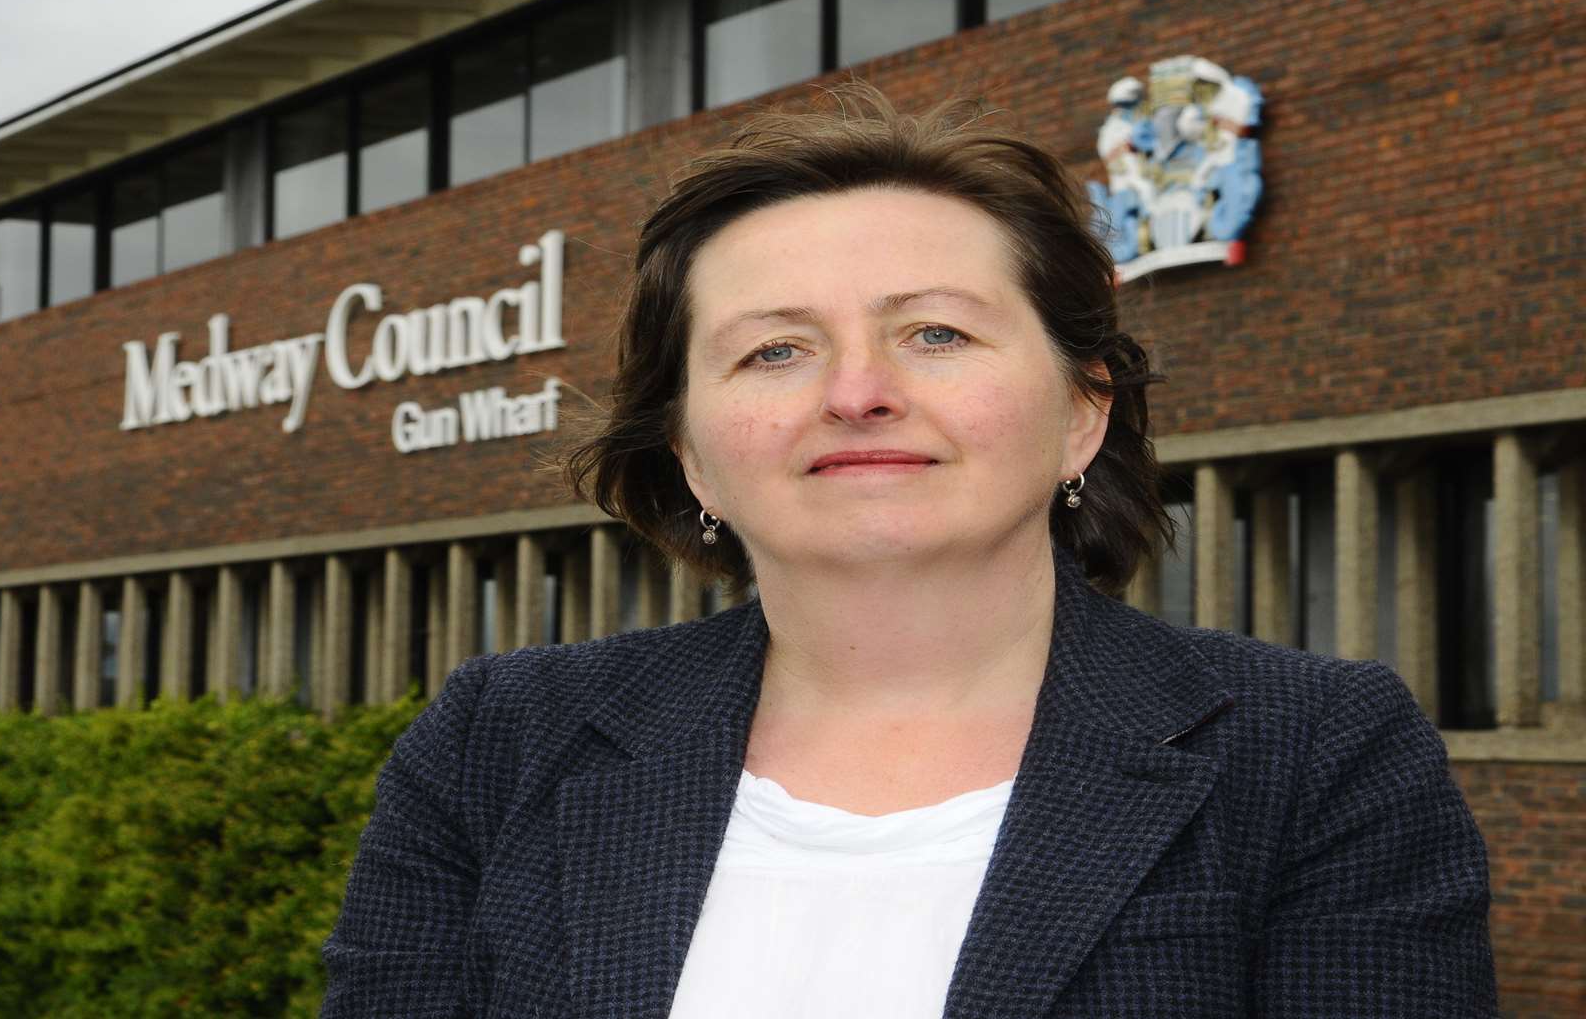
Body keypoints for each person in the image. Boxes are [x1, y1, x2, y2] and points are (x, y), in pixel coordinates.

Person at [321, 84, 1496, 1018]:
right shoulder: (501, 741)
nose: (859, 394)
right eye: (775, 351)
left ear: (1084, 409)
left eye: (935, 333)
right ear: (689, 451)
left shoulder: (1315, 758)